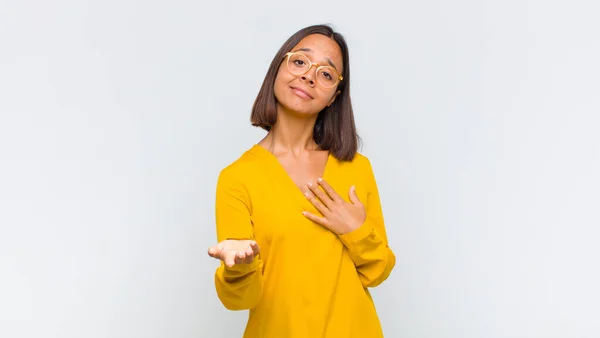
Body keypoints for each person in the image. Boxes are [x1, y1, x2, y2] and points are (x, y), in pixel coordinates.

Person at [207, 24, 396, 338]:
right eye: (300, 62)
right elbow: (241, 299)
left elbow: (378, 271)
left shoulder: (356, 168)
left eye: (326, 73)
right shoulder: (237, 178)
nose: (309, 75)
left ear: (334, 96)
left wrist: (356, 231)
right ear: (279, 67)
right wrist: (238, 268)